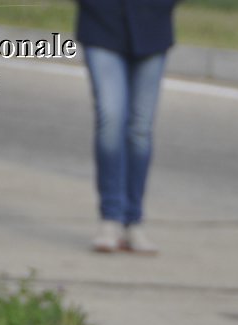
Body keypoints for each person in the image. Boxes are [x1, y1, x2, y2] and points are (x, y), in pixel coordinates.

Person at [75, 0, 178, 254]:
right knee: (110, 118)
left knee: (140, 130)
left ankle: (134, 221)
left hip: (152, 27)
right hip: (101, 25)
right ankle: (110, 218)